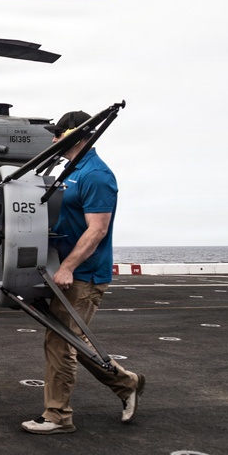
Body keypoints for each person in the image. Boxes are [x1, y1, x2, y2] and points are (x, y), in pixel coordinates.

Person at [21, 111, 145, 435]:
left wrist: (67, 267)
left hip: (84, 276)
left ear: (78, 134)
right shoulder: (70, 170)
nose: (53, 140)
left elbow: (97, 230)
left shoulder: (98, 176)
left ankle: (58, 416)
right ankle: (126, 383)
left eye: (58, 133)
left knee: (61, 342)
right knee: (70, 340)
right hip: (60, 272)